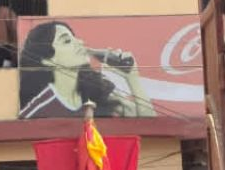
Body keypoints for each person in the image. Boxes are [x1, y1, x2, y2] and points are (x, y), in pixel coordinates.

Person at [18, 20, 155, 118]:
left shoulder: (96, 88)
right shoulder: (40, 108)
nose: (80, 42)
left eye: (75, 38)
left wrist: (132, 77)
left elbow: (148, 124)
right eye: (66, 41)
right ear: (47, 60)